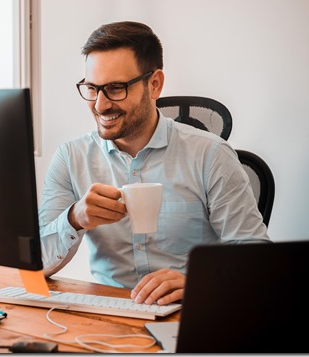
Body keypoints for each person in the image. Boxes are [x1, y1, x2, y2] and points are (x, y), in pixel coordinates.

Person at [38, 21, 269, 306]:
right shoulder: (70, 157)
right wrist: (74, 218)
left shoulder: (211, 155)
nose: (100, 105)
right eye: (92, 88)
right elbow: (36, 265)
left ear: (154, 84)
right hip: (108, 316)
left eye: (115, 88)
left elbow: (258, 262)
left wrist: (200, 282)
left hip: (192, 311)